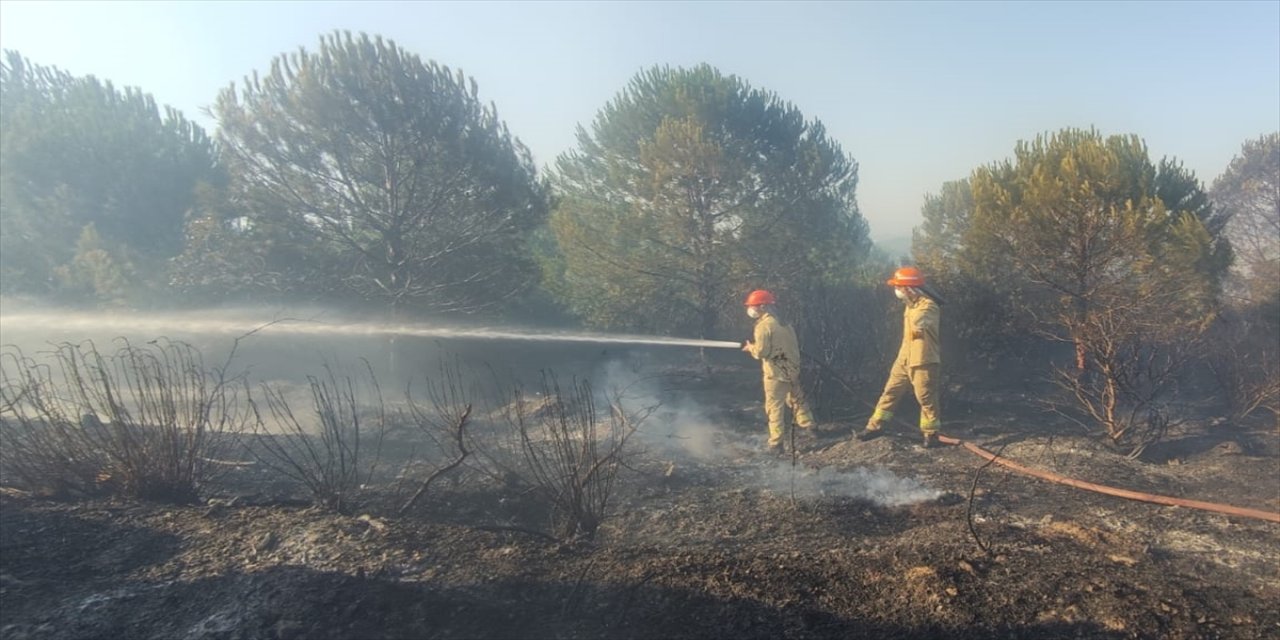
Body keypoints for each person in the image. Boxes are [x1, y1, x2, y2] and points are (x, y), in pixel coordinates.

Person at [855, 267, 944, 448]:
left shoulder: (928, 306)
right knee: (890, 392)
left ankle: (931, 434)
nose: (897, 291)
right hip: (904, 359)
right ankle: (875, 426)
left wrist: (916, 311)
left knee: (926, 398)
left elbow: (922, 321)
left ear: (909, 288)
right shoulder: (910, 305)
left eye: (899, 287)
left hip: (923, 360)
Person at [741, 289, 816, 454]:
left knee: (774, 407)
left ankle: (776, 443)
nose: (750, 309)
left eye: (752, 306)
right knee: (797, 399)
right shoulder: (784, 322)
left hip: (775, 373)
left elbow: (762, 352)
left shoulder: (763, 326)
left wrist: (750, 348)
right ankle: (810, 427)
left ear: (761, 306)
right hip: (792, 369)